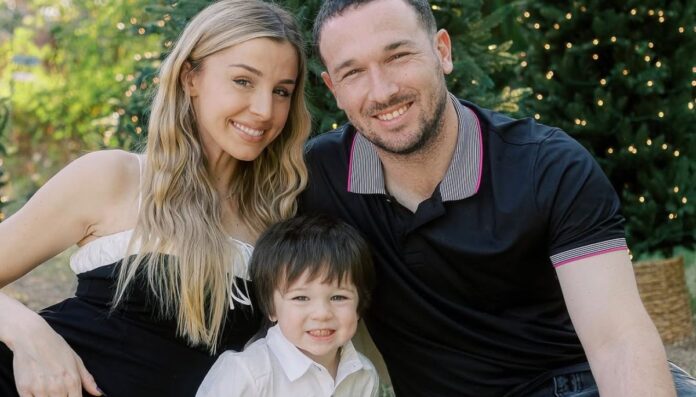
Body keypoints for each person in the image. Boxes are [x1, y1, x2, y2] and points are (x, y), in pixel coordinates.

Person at [300, 0, 696, 396]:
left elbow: (618, 341)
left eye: (398, 56)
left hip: (577, 384)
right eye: (353, 72)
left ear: (442, 51)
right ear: (333, 89)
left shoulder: (548, 167)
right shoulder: (320, 175)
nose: (382, 91)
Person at [0, 1, 310, 396]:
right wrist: (29, 332)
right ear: (190, 78)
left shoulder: (277, 218)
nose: (265, 110)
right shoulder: (116, 177)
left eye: (282, 91)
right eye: (243, 81)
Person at [197, 214, 379, 397]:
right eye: (301, 298)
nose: (322, 314)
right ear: (271, 307)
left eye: (339, 297)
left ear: (359, 305)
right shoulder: (247, 373)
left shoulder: (364, 374)